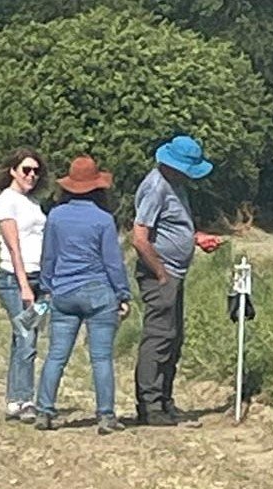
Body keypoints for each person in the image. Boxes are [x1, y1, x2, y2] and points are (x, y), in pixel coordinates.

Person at [34, 156, 132, 434]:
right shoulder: (103, 220)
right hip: (98, 292)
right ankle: (105, 416)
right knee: (101, 358)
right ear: (97, 187)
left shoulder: (55, 216)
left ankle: (44, 411)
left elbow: (49, 256)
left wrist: (47, 287)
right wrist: (122, 294)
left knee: (56, 356)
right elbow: (113, 262)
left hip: (63, 292)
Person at [131, 135, 223, 426]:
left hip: (174, 272)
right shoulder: (155, 188)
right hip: (161, 273)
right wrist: (160, 273)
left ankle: (165, 398)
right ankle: (150, 405)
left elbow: (172, 227)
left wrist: (195, 238)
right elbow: (140, 238)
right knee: (158, 338)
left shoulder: (176, 186)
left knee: (173, 338)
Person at [0, 148, 47, 423]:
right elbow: (14, 248)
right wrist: (24, 286)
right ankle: (25, 399)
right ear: (12, 171)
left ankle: (14, 399)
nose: (32, 175)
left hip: (39, 277)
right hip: (14, 279)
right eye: (26, 170)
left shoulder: (33, 203)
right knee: (27, 336)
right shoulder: (5, 202)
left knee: (21, 337)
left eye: (36, 171)